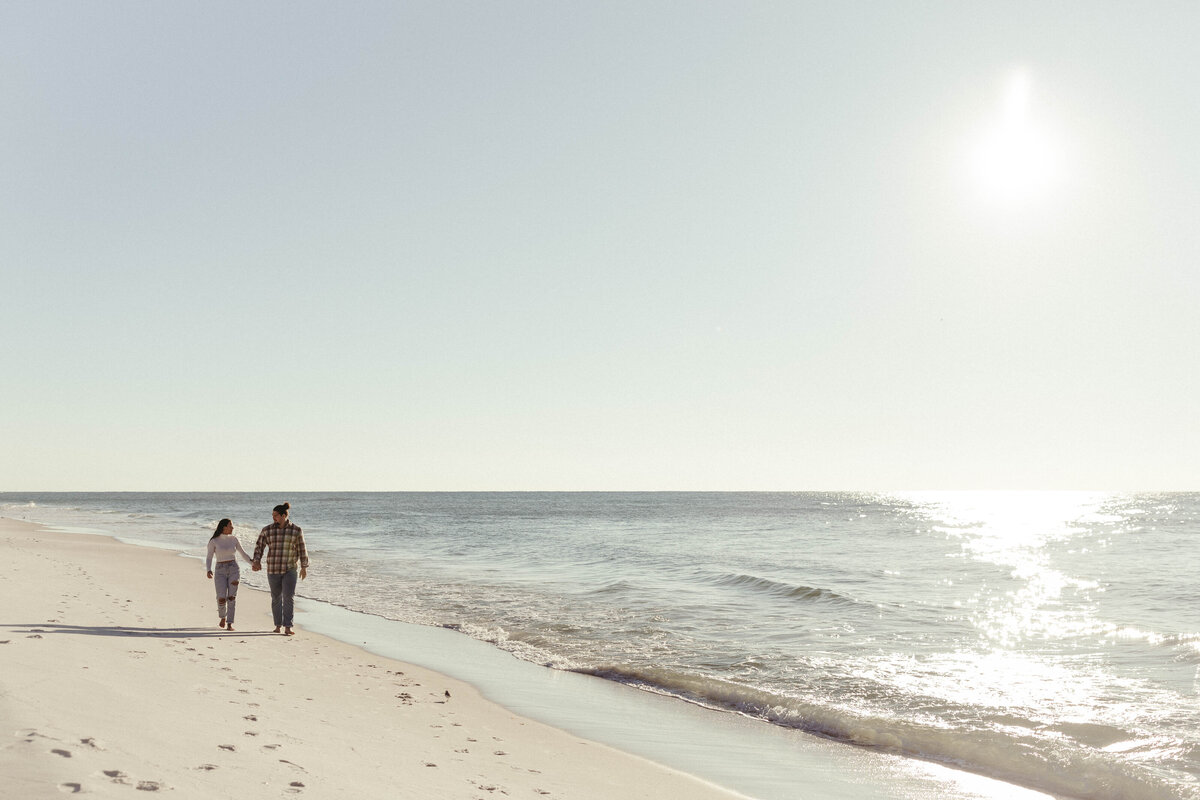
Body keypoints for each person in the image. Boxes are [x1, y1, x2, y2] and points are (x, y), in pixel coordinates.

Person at [252, 502, 309, 635]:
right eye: (272, 515)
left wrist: (304, 567)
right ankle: (278, 625)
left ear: (284, 515)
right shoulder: (267, 530)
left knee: (289, 597)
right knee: (276, 597)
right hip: (273, 569)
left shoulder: (296, 530)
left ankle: (288, 626)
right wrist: (256, 561)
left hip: (290, 568)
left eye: (276, 515)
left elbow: (302, 548)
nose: (273, 518)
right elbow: (259, 547)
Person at [205, 518, 253, 631]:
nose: (233, 527)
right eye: (230, 525)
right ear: (224, 527)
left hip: (234, 569)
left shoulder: (234, 539)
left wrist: (253, 563)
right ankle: (222, 617)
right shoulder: (214, 541)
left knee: (232, 597)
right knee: (221, 597)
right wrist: (208, 569)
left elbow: (243, 553)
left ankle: (230, 623)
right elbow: (209, 557)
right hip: (220, 570)